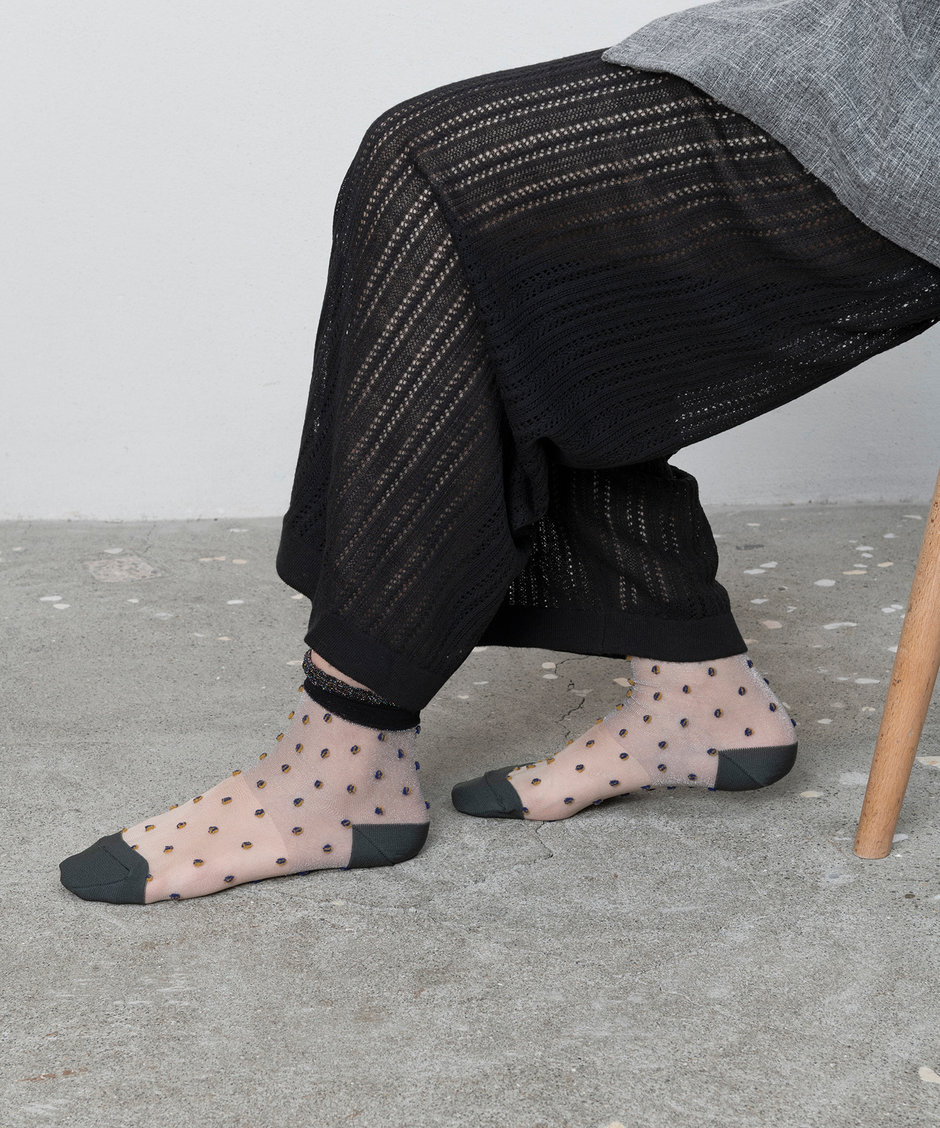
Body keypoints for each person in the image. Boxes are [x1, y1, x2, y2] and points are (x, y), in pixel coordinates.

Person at [60, 0, 940, 903]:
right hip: (853, 39)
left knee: (435, 176)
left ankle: (338, 771)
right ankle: (699, 692)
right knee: (526, 242)